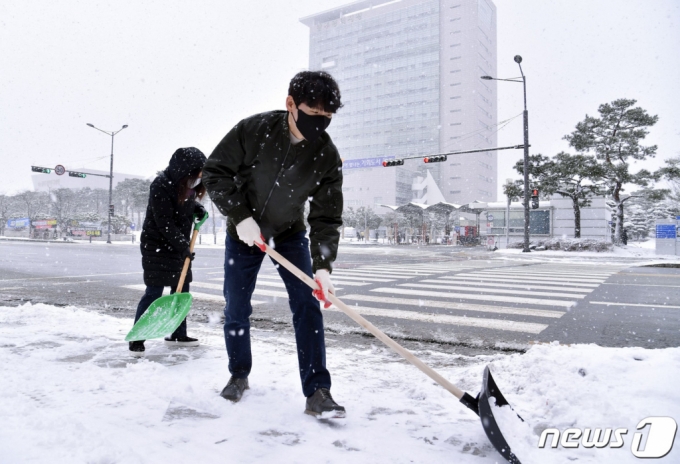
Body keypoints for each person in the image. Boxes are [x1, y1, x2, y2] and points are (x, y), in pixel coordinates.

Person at [202, 71, 345, 417]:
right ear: (290, 104)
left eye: (327, 118)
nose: (320, 124)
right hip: (244, 234)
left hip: (288, 233)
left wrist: (323, 267)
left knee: (307, 306)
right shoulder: (254, 131)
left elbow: (326, 217)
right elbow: (215, 172)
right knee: (236, 306)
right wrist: (240, 216)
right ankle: (238, 374)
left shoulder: (326, 155)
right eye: (313, 115)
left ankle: (317, 391)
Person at [128, 147, 207, 357]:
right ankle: (137, 336)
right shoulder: (161, 185)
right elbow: (165, 222)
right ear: (184, 170)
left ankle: (177, 334)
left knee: (180, 292)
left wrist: (196, 208)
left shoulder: (186, 184)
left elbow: (184, 205)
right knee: (154, 293)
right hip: (157, 247)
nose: (197, 180)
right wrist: (183, 246)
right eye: (195, 174)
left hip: (178, 247)